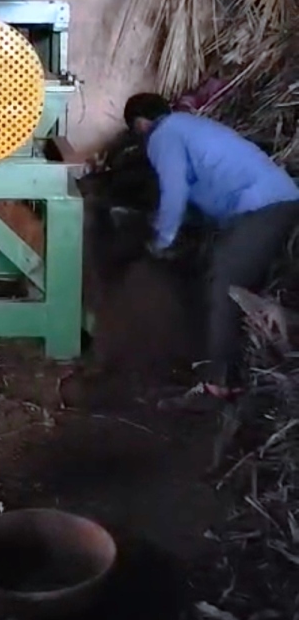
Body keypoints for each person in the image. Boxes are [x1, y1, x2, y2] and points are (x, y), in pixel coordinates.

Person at [123, 93, 299, 407]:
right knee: (225, 276)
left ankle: (219, 383)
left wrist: (160, 242)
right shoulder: (190, 127)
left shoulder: (164, 135)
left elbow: (174, 192)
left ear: (140, 124)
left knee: (224, 282)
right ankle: (234, 371)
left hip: (263, 208)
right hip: (276, 201)